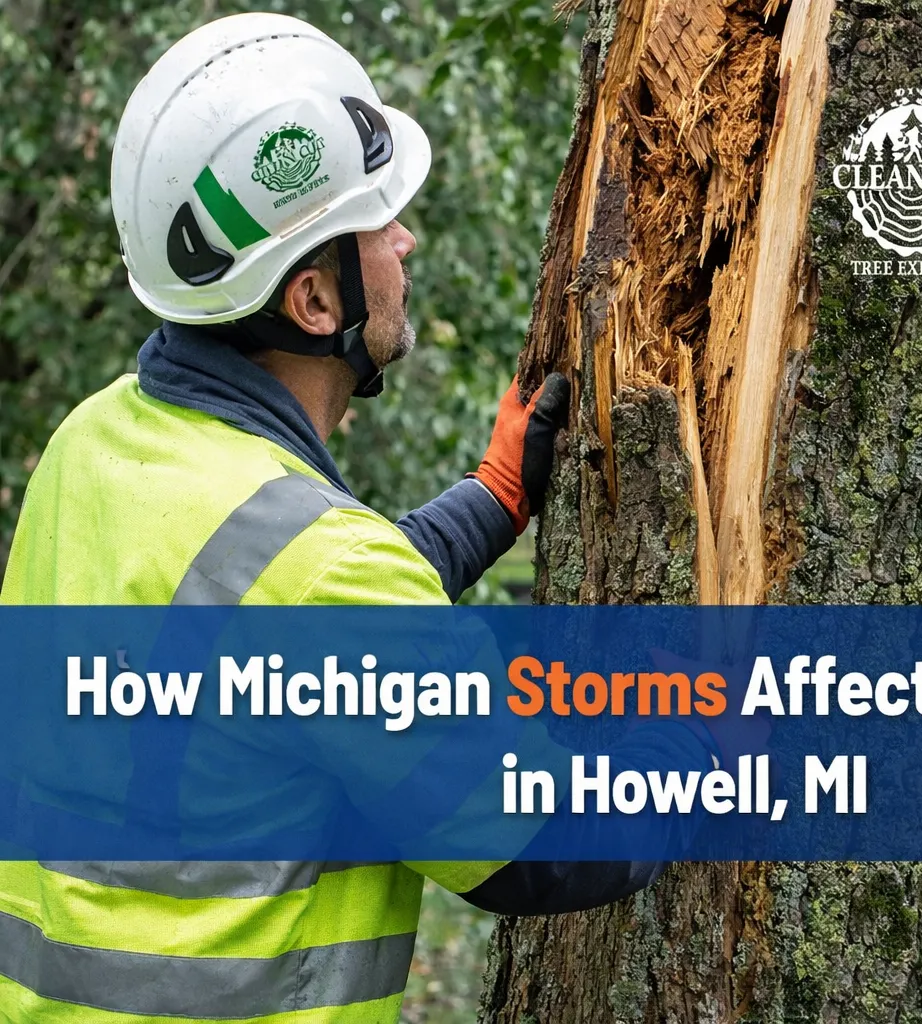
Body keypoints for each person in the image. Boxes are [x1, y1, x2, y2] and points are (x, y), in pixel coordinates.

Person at [0, 13, 724, 1022]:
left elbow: (260, 630)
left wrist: (492, 500)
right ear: (312, 299)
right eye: (378, 223)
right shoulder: (318, 576)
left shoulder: (91, 448)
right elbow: (538, 843)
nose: (405, 239)